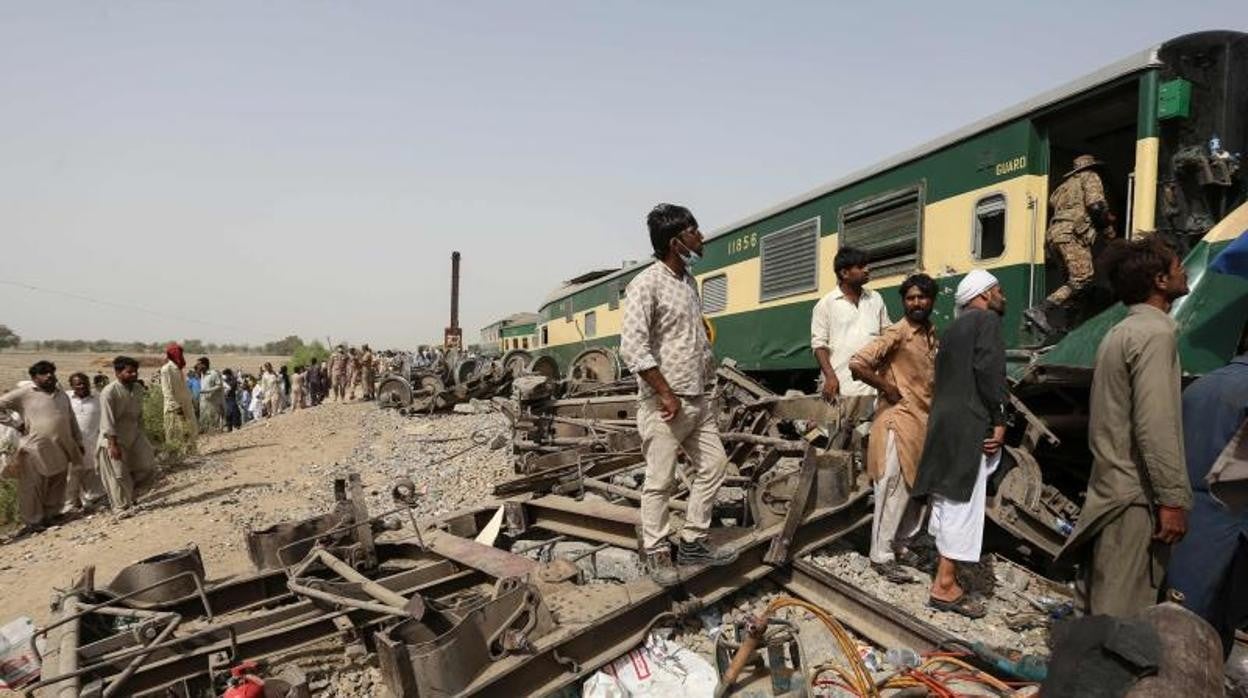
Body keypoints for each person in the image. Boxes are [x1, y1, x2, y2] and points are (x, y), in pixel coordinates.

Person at [1058, 237, 1191, 617]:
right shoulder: (1157, 335)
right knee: (1119, 620)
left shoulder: (1119, 333)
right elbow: (1156, 424)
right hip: (1136, 499)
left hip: (1109, 491)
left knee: (1096, 607)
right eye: (1178, 265)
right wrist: (1171, 499)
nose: (1184, 272)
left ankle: (1080, 674)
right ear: (1160, 281)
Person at [620, 203, 735, 585]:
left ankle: (692, 541)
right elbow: (633, 349)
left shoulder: (687, 282)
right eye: (694, 231)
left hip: (698, 397)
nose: (700, 237)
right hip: (665, 404)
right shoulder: (645, 284)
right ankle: (656, 552)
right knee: (660, 480)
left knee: (715, 465)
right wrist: (666, 393)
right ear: (676, 241)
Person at [910, 269, 1009, 619]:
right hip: (970, 422)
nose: (1004, 297)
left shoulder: (951, 329)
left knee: (945, 495)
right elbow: (990, 371)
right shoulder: (986, 322)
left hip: (944, 420)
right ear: (982, 295)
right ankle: (945, 585)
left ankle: (943, 570)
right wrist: (999, 418)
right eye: (998, 290)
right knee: (962, 500)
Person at [849, 273, 938, 584]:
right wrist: (888, 388)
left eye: (922, 297)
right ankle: (881, 555)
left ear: (932, 300)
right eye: (910, 298)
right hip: (897, 421)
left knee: (915, 490)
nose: (916, 303)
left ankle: (902, 544)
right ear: (904, 302)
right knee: (892, 488)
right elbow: (858, 363)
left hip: (920, 423)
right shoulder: (897, 333)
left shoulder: (929, 334)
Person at [1167, 346, 1248, 656]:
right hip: (1231, 523)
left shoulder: (1199, 386)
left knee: (1178, 618)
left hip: (1187, 518)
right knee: (1212, 634)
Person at [1025, 154, 1117, 336]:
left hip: (1054, 236)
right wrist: (1108, 232)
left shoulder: (1063, 188)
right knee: (1083, 277)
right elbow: (1096, 206)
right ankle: (1042, 309)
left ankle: (1069, 326)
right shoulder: (1090, 176)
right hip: (1071, 235)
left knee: (1075, 285)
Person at [0, 361, 82, 535]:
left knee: (57, 482)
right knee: (32, 486)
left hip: (61, 446)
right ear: (34, 378)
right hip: (34, 448)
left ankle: (51, 515)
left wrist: (78, 440)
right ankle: (32, 521)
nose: (49, 375)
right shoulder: (25, 393)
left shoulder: (62, 395)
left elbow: (71, 418)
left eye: (51, 372)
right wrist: (15, 423)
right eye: (43, 373)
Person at [810, 246, 890, 402]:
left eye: (866, 265)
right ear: (844, 273)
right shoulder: (825, 304)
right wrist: (831, 377)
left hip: (873, 387)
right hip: (843, 388)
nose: (867, 270)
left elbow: (886, 334)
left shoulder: (876, 298)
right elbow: (819, 346)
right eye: (860, 267)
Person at [96, 356, 158, 513]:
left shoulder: (137, 389)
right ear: (117, 372)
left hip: (134, 434)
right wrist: (113, 444)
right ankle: (121, 507)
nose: (134, 375)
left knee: (147, 465)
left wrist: (145, 437)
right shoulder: (109, 392)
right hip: (114, 438)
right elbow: (107, 420)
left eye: (135, 371)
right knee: (118, 475)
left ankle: (132, 495)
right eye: (129, 372)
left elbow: (139, 415)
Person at [64, 372, 107, 512]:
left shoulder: (98, 398)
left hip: (92, 442)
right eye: (78, 384)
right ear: (72, 386)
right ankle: (71, 504)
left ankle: (93, 499)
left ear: (89, 384)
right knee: (71, 475)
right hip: (71, 443)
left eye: (84, 383)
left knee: (91, 471)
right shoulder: (66, 399)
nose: (82, 386)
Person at [158, 343, 198, 454]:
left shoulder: (178, 369)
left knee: (190, 430)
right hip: (174, 407)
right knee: (174, 432)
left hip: (186, 405)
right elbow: (167, 391)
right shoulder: (166, 370)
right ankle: (175, 456)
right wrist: (176, 407)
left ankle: (190, 453)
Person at [197, 357, 225, 432]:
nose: (197, 366)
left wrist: (207, 391)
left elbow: (219, 385)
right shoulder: (202, 375)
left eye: (199, 364)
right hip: (203, 403)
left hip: (213, 403)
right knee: (204, 422)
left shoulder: (213, 373)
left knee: (213, 423)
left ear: (204, 365)